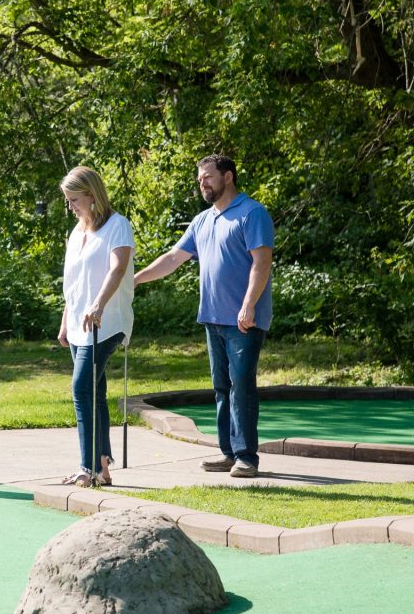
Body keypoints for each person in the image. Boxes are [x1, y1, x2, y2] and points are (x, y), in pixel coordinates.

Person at [134, 154, 273, 478]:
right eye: (199, 179)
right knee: (222, 387)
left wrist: (248, 304)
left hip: (243, 320)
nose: (203, 183)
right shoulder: (202, 221)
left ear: (228, 176)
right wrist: (135, 278)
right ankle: (227, 453)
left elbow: (261, 262)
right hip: (213, 318)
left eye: (208, 177)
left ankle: (246, 458)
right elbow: (173, 258)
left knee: (241, 386)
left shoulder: (252, 213)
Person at [57, 166, 135, 488]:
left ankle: (86, 467)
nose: (71, 206)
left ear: (92, 195)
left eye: (74, 199)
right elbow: (75, 284)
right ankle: (103, 467)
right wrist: (66, 320)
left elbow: (117, 269)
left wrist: (98, 304)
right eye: (68, 200)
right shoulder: (77, 233)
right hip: (78, 324)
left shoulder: (118, 226)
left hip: (107, 321)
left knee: (81, 387)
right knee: (96, 392)